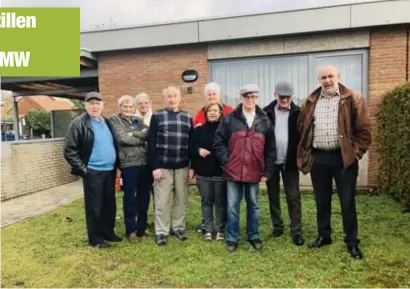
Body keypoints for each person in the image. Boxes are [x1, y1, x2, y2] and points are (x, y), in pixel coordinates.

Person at [297, 65, 372, 259]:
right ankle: (324, 236)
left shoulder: (353, 99)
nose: (327, 80)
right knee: (322, 201)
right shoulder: (310, 101)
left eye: (331, 76)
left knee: (347, 201)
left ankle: (352, 242)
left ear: (338, 77)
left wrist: (355, 153)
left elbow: (364, 131)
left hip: (343, 158)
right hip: (319, 157)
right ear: (318, 79)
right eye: (323, 77)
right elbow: (301, 127)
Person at [214, 84, 276, 252]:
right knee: (233, 205)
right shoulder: (229, 119)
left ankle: (253, 235)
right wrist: (227, 161)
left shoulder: (264, 120)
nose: (250, 100)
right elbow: (218, 142)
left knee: (254, 205)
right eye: (247, 96)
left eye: (254, 97)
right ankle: (232, 238)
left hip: (254, 170)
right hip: (233, 171)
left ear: (257, 98)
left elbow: (270, 148)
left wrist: (268, 170)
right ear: (241, 98)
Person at [64, 91, 122, 248]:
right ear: (86, 106)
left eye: (97, 103)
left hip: (110, 170)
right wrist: (84, 169)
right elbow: (69, 150)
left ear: (102, 105)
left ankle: (108, 232)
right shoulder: (78, 123)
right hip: (92, 172)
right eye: (91, 103)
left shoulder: (107, 122)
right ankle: (95, 238)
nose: (95, 106)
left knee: (109, 204)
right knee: (94, 207)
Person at [147, 86, 194, 246]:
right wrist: (155, 167)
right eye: (169, 96)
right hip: (163, 167)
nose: (172, 99)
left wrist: (192, 166)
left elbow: (192, 143)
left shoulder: (187, 117)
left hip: (182, 166)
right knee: (162, 200)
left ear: (180, 98)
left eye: (174, 96)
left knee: (181, 199)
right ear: (164, 99)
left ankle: (178, 227)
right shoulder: (157, 116)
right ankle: (161, 231)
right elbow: (151, 143)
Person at [263, 81, 304, 246]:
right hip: (271, 162)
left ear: (292, 96)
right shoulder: (265, 112)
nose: (285, 100)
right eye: (282, 97)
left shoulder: (298, 112)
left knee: (293, 197)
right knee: (273, 196)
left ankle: (296, 231)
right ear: (275, 95)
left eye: (288, 97)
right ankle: (277, 226)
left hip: (291, 162)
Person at [109, 95, 152, 244]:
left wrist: (133, 134)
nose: (128, 109)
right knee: (130, 198)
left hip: (144, 163)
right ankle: (131, 230)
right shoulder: (114, 120)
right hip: (128, 164)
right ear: (120, 107)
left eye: (130, 107)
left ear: (135, 108)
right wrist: (139, 138)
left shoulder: (138, 120)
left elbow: (147, 134)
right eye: (125, 106)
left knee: (144, 197)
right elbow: (122, 139)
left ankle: (142, 227)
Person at [193, 82, 233, 234]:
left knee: (222, 200)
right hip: (204, 168)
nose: (211, 96)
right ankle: (207, 226)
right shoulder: (199, 114)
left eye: (213, 93)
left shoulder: (230, 111)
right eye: (208, 94)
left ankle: (223, 226)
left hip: (222, 167)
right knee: (207, 200)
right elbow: (194, 140)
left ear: (219, 95)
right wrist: (197, 151)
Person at [190, 101, 226, 241]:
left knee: (219, 202)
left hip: (220, 172)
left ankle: (220, 229)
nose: (212, 113)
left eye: (215, 110)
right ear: (205, 114)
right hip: (203, 173)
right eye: (210, 110)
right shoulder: (199, 130)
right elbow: (191, 147)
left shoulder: (224, 130)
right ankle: (208, 229)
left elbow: (228, 149)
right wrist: (199, 150)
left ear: (220, 113)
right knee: (206, 201)